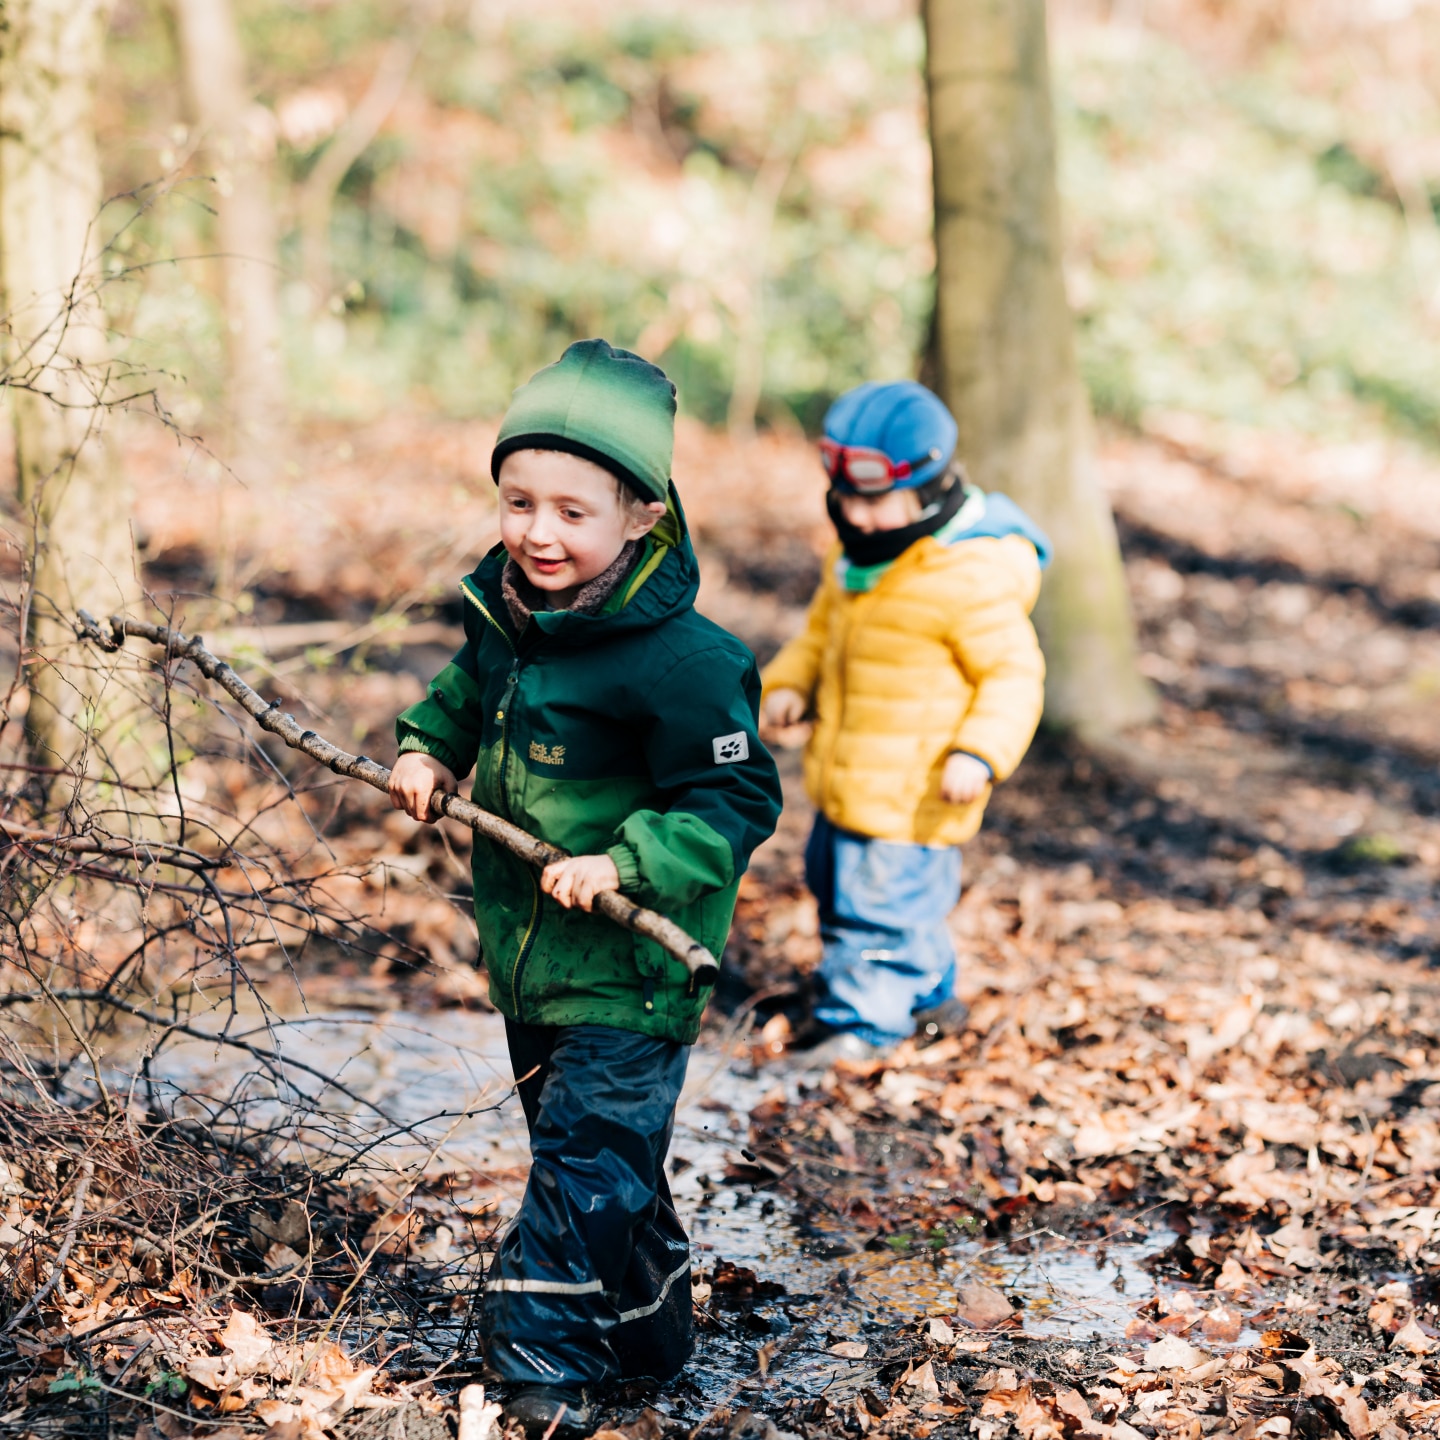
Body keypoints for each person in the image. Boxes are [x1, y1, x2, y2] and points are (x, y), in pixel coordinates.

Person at [388, 340, 782, 1439]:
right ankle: (651, 1332)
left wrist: (629, 861)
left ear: (641, 517)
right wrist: (428, 748)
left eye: (572, 510)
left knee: (579, 1168)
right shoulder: (509, 611)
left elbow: (736, 801)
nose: (539, 532)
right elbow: (468, 690)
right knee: (608, 1164)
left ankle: (537, 1375)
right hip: (533, 956)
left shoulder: (682, 661)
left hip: (633, 964)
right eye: (520, 501)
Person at [761, 380, 1049, 1063]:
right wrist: (789, 683)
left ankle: (863, 1024)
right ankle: (924, 999)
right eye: (845, 500)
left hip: (912, 791)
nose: (856, 517)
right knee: (840, 888)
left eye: (873, 500)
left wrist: (978, 753)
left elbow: (1014, 674)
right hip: (849, 782)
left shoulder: (966, 574)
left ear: (928, 488)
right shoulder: (858, 560)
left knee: (877, 911)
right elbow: (819, 635)